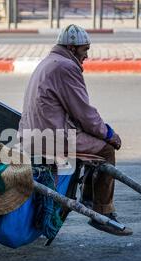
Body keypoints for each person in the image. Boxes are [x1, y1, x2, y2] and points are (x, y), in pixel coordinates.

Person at [18, 24, 132, 236]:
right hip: (52, 138)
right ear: (71, 48)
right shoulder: (66, 67)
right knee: (106, 150)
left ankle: (88, 197)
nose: (86, 56)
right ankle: (102, 211)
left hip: (31, 135)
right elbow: (84, 113)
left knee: (93, 144)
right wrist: (109, 134)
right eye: (84, 50)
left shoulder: (49, 62)